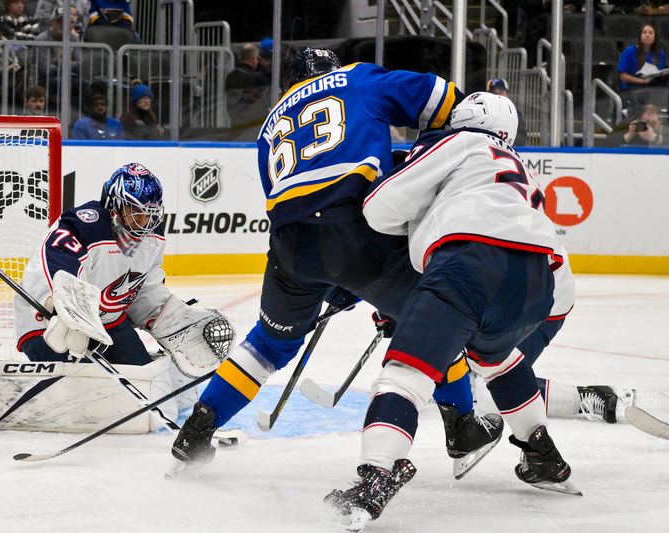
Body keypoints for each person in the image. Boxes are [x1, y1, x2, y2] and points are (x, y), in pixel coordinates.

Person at [170, 48, 504, 478]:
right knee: (436, 319)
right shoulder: (358, 78)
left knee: (269, 345)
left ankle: (196, 430)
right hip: (357, 228)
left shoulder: (270, 124)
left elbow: (295, 196)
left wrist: (332, 278)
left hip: (291, 247)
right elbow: (444, 100)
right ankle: (461, 428)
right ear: (334, 69)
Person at [329, 92, 579, 529]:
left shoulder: (459, 142)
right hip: (537, 281)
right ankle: (542, 454)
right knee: (498, 358)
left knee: (404, 375)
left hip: (468, 264)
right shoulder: (520, 166)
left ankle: (376, 476)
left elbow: (379, 207)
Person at [14, 162, 232, 376]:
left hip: (107, 322)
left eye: (149, 214)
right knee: (82, 386)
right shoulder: (86, 224)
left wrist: (166, 316)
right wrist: (67, 311)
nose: (143, 222)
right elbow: (54, 265)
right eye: (135, 212)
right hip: (48, 323)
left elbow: (144, 288)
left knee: (146, 378)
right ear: (114, 207)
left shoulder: (152, 235)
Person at [225, 43, 271, 140]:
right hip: (253, 126)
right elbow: (263, 103)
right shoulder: (258, 78)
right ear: (254, 59)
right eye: (257, 58)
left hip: (235, 122)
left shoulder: (230, 76)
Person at [486, 78, 528, 146]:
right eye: (494, 92)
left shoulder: (515, 113)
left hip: (508, 151)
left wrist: (506, 146)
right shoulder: (482, 111)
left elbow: (521, 137)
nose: (498, 95)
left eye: (501, 92)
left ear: (507, 94)